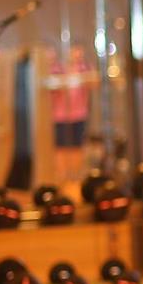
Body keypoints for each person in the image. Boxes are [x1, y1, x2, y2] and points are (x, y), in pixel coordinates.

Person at [49, 43, 91, 193]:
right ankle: (62, 176)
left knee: (77, 146)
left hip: (78, 115)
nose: (76, 54)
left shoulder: (84, 68)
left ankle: (75, 175)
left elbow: (93, 82)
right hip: (60, 116)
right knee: (60, 147)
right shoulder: (58, 69)